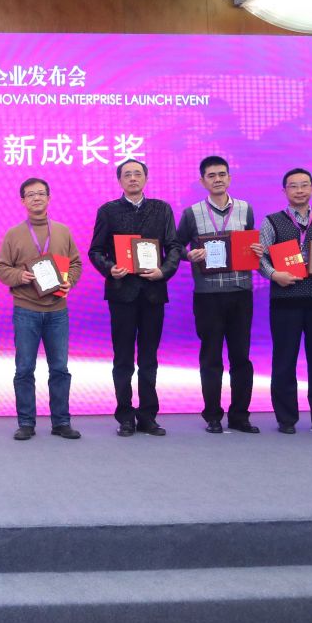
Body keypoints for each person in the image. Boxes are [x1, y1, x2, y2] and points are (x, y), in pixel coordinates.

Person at [88, 158, 182, 437]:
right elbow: (95, 251)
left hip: (153, 292)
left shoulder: (162, 209)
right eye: (127, 174)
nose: (132, 178)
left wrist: (164, 271)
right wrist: (110, 268)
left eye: (137, 174)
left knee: (149, 358)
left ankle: (148, 416)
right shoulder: (108, 210)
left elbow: (174, 247)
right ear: (119, 180)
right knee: (123, 359)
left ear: (146, 178)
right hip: (122, 293)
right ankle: (125, 416)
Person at [255, 168, 312, 436]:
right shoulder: (271, 221)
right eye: (293, 186)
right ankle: (286, 418)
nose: (299, 190)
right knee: (284, 361)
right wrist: (274, 275)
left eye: (304, 185)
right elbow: (260, 258)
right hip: (285, 301)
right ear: (284, 191)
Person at [0, 177, 83, 440]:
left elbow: (76, 264)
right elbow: (1, 267)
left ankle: (61, 422)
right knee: (24, 369)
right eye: (30, 194)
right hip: (26, 309)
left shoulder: (63, 231)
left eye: (41, 193)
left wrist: (69, 281)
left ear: (49, 198)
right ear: (22, 201)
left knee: (60, 369)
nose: (36, 198)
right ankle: (26, 423)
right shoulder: (14, 234)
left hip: (58, 310)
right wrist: (18, 276)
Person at [176, 155, 259, 434]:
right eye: (211, 176)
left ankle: (240, 416)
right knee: (211, 357)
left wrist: (256, 250)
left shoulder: (246, 209)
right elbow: (175, 247)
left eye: (222, 174)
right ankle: (212, 415)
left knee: (241, 357)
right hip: (208, 295)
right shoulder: (192, 213)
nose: (218, 179)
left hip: (240, 292)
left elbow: (250, 244)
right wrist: (188, 255)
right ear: (202, 181)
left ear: (230, 178)